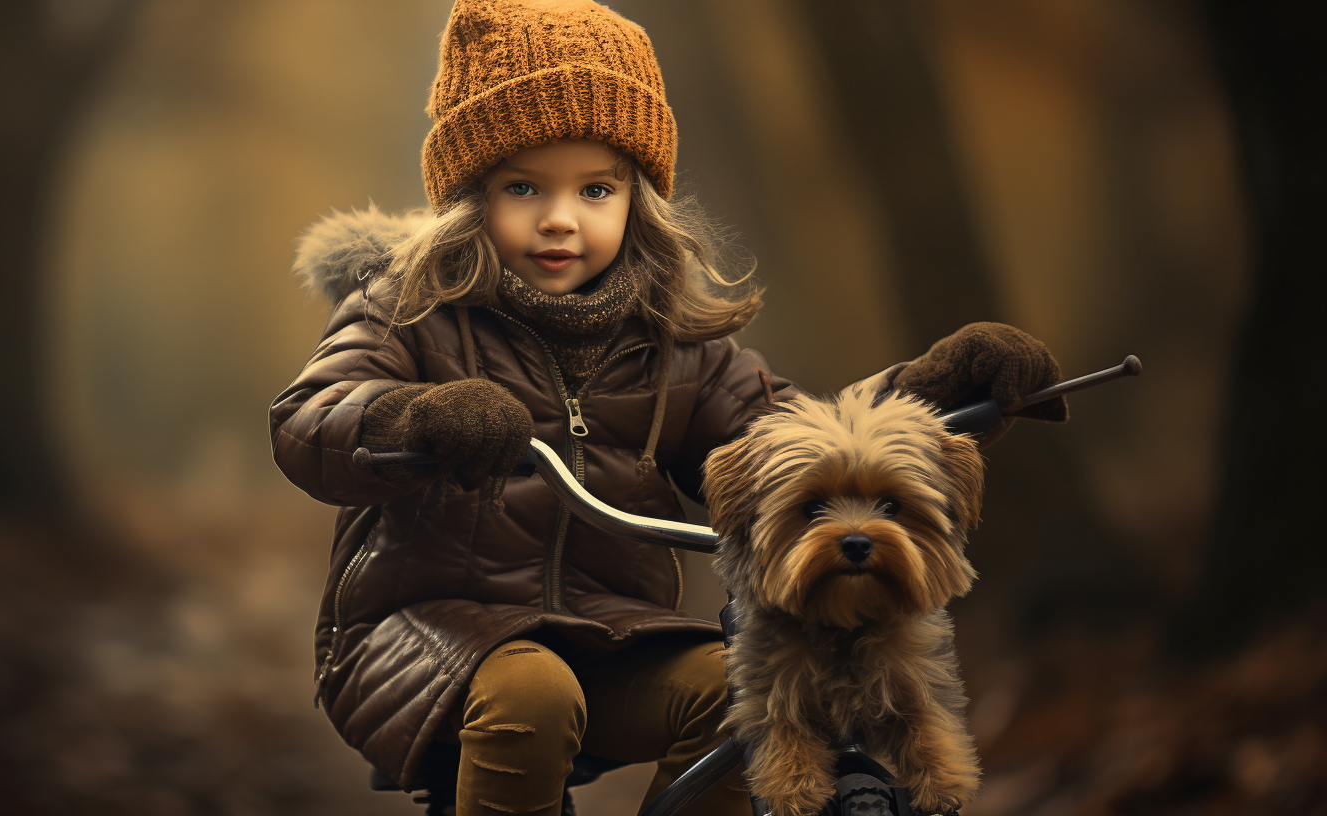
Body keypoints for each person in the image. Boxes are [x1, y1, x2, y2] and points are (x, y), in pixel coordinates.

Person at [269, 2, 1066, 814]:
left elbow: (792, 442)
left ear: (636, 200)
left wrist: (930, 396)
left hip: (614, 633)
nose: (559, 217)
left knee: (745, 691)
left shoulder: (674, 344)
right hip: (428, 633)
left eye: (595, 189)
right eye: (521, 186)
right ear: (470, 198)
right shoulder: (405, 311)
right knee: (530, 697)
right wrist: (413, 418)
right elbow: (308, 420)